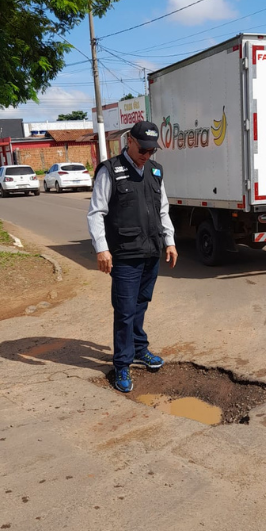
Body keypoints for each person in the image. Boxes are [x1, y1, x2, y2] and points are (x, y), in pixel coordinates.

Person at [87, 121, 179, 394]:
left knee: (141, 304)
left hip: (151, 251)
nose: (147, 155)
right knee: (125, 312)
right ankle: (122, 363)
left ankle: (139, 349)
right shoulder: (110, 171)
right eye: (143, 149)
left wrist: (169, 241)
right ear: (130, 142)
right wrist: (102, 248)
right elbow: (96, 213)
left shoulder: (155, 170)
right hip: (125, 255)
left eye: (152, 151)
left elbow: (163, 209)